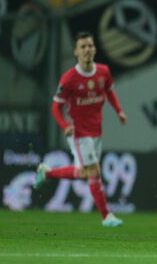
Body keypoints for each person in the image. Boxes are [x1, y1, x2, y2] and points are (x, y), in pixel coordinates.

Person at [33, 31, 128, 227]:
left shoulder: (103, 72)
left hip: (96, 131)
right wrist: (65, 125)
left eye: (90, 46)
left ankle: (47, 173)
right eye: (83, 47)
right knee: (94, 171)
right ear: (76, 52)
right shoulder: (69, 79)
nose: (87, 50)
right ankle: (106, 216)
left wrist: (119, 111)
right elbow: (55, 107)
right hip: (78, 132)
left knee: (85, 173)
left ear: (94, 49)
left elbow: (109, 92)